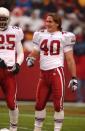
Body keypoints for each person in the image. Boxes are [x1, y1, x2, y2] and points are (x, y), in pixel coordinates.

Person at [26, 12, 78, 131]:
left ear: (57, 23)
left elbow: (70, 59)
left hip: (56, 72)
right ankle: (37, 129)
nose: (47, 23)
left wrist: (74, 78)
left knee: (58, 105)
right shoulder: (40, 34)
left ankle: (57, 129)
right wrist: (30, 58)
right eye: (46, 21)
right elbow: (35, 52)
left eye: (50, 21)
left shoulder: (64, 36)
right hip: (43, 74)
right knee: (39, 104)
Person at [0, 7, 24, 131]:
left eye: (4, 19)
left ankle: (13, 128)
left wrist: (18, 64)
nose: (2, 22)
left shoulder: (15, 31)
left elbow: (20, 52)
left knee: (11, 102)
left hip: (8, 71)